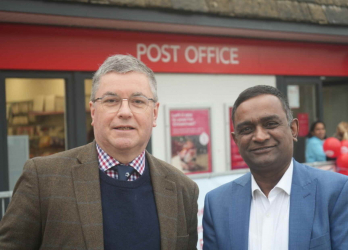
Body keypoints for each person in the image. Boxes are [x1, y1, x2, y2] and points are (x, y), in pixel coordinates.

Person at [0, 55, 199, 250]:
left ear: (154, 113)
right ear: (93, 112)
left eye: (137, 101)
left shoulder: (183, 190)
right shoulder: (43, 179)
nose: (125, 112)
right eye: (111, 100)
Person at [202, 85, 348, 250]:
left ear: (293, 129)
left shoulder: (337, 193)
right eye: (247, 129)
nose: (260, 136)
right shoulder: (217, 205)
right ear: (236, 139)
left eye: (270, 124)